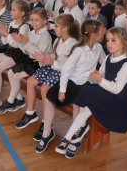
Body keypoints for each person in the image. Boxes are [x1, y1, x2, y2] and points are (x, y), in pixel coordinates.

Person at [56, 27, 127, 158]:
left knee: (86, 92)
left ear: (124, 43)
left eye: (113, 40)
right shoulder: (108, 58)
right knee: (86, 102)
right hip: (106, 91)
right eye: (108, 40)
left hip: (116, 98)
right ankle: (68, 138)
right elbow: (102, 74)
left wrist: (100, 79)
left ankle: (73, 134)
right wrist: (95, 76)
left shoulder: (126, 65)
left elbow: (117, 88)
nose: (109, 43)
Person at [35, 19, 106, 153]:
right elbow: (66, 70)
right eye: (102, 32)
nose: (104, 34)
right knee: (49, 99)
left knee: (78, 103)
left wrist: (101, 76)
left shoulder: (99, 47)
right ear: (94, 35)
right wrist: (62, 91)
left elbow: (105, 63)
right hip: (72, 81)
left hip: (88, 84)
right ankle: (46, 134)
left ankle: (76, 135)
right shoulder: (79, 50)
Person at [15, 14, 80, 137]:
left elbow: (69, 67)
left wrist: (52, 62)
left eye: (56, 26)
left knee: (44, 88)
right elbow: (54, 56)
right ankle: (30, 113)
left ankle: (46, 123)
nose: (53, 28)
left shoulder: (74, 44)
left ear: (65, 28)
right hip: (53, 67)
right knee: (30, 81)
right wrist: (45, 58)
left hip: (63, 73)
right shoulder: (58, 39)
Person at [0, 8, 53, 113]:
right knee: (10, 72)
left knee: (17, 76)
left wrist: (26, 42)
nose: (33, 22)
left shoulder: (46, 36)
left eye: (37, 20)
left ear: (44, 21)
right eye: (32, 20)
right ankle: (18, 99)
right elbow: (26, 52)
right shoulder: (32, 33)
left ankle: (10, 100)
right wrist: (20, 42)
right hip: (30, 60)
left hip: (39, 64)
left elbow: (38, 55)